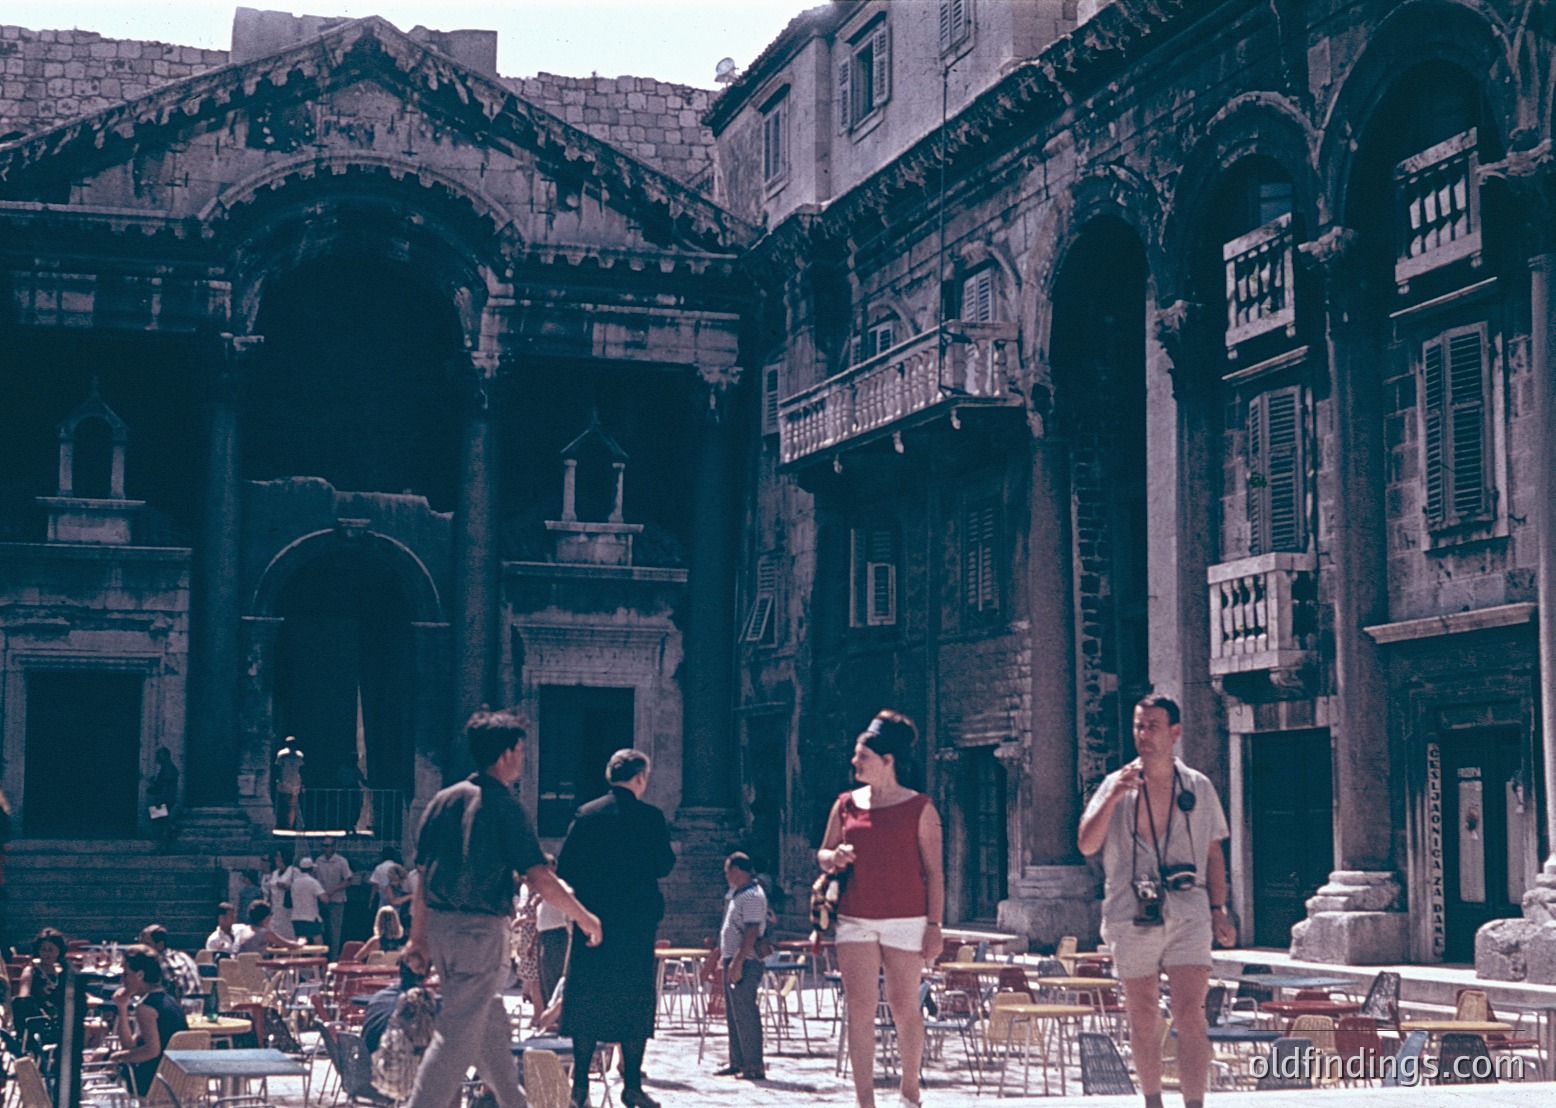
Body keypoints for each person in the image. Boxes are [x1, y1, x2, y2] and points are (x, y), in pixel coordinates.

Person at [402, 709, 602, 1108]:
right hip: (480, 930)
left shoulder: (443, 801)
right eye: (522, 750)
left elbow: (423, 876)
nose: (524, 758)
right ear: (508, 753)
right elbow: (540, 877)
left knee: (490, 1029)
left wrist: (418, 938)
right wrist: (584, 916)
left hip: (442, 930)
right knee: (455, 1038)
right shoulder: (504, 805)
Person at [1077, 694, 1236, 1108]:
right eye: (1138, 726)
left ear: (1175, 732)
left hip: (1189, 911)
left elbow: (1214, 853)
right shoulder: (1114, 785)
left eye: (1152, 726)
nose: (1143, 735)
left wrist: (1220, 909)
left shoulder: (1197, 786)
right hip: (1131, 914)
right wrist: (1112, 796)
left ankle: (1195, 1103)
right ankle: (1152, 1101)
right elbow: (1087, 843)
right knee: (1142, 1011)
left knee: (1191, 1012)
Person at [817, 709, 944, 1108]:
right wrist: (832, 856)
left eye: (862, 756)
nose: (854, 762)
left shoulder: (921, 807)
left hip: (907, 920)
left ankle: (909, 1094)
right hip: (855, 918)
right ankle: (865, 1102)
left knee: (906, 1005)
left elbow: (935, 873)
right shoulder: (844, 804)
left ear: (887, 760)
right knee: (859, 1009)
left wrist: (935, 926)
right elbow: (822, 853)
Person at [558, 749, 676, 1108]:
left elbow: (566, 867)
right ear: (640, 777)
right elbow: (664, 865)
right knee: (634, 999)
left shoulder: (586, 815)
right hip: (635, 925)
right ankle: (632, 1086)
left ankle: (579, 1085)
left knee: (587, 999)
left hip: (593, 922)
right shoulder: (651, 818)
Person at [715, 852, 768, 1081]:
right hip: (732, 959)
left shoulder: (753, 896)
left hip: (745, 961)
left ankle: (754, 1064)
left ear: (737, 870)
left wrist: (737, 961)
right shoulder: (738, 895)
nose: (726, 876)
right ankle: (737, 1060)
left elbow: (752, 931)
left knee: (746, 1012)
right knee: (734, 1013)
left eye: (728, 871)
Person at [109, 944, 187, 1096]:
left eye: (126, 974)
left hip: (154, 1080)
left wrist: (117, 1057)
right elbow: (129, 1046)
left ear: (140, 975)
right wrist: (122, 1008)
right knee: (103, 1053)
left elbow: (151, 1050)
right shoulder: (168, 1000)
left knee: (105, 1059)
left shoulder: (145, 1009)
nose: (122, 980)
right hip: (177, 1076)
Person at [362, 948, 431, 1054]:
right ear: (426, 973)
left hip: (364, 1065)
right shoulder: (427, 1004)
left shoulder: (378, 997)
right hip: (402, 1066)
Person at [13, 928, 67, 1048]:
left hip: (63, 1018)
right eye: (43, 950)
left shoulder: (63, 973)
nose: (47, 954)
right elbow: (24, 998)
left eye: (51, 950)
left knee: (100, 1026)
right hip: (42, 1021)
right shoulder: (31, 971)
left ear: (59, 951)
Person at [533, 854, 571, 1012]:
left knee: (554, 974)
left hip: (557, 933)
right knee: (545, 975)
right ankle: (549, 1013)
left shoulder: (559, 885)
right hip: (545, 934)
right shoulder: (543, 887)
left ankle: (556, 1015)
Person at [138, 924, 202, 1002]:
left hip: (177, 1009)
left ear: (160, 945)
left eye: (146, 945)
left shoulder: (158, 963)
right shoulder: (184, 956)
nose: (141, 949)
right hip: (199, 1008)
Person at [313, 836, 353, 956]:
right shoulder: (319, 861)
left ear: (334, 847)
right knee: (320, 930)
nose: (326, 848)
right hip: (321, 900)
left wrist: (333, 890)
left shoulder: (341, 861)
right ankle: (321, 957)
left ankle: (334, 957)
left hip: (337, 900)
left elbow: (348, 879)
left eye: (329, 846)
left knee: (335, 931)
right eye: (324, 846)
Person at [238, 900, 305, 953]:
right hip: (255, 968)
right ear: (266, 917)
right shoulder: (265, 933)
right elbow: (291, 945)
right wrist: (301, 942)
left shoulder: (243, 929)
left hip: (240, 966)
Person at [261, 848, 299, 940]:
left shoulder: (293, 871)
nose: (276, 859)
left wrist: (286, 887)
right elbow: (270, 890)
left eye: (278, 857)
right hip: (275, 908)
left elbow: (299, 887)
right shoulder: (275, 873)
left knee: (288, 933)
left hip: (288, 908)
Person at [288, 858, 327, 943]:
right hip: (311, 917)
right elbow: (324, 898)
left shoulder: (295, 882)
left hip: (296, 917)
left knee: (299, 942)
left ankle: (296, 956)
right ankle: (318, 956)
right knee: (318, 940)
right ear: (312, 869)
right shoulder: (313, 882)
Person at [147, 747, 178, 850]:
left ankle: (166, 841)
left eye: (158, 755)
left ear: (164, 755)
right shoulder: (167, 767)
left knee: (161, 821)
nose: (157, 758)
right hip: (167, 798)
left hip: (165, 799)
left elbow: (165, 785)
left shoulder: (167, 768)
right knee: (159, 819)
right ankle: (164, 842)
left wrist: (160, 797)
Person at [274, 736, 305, 831]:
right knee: (288, 805)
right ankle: (285, 824)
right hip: (287, 782)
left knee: (290, 805)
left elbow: (301, 770)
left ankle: (288, 825)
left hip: (291, 782)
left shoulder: (298, 755)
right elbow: (278, 768)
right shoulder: (283, 754)